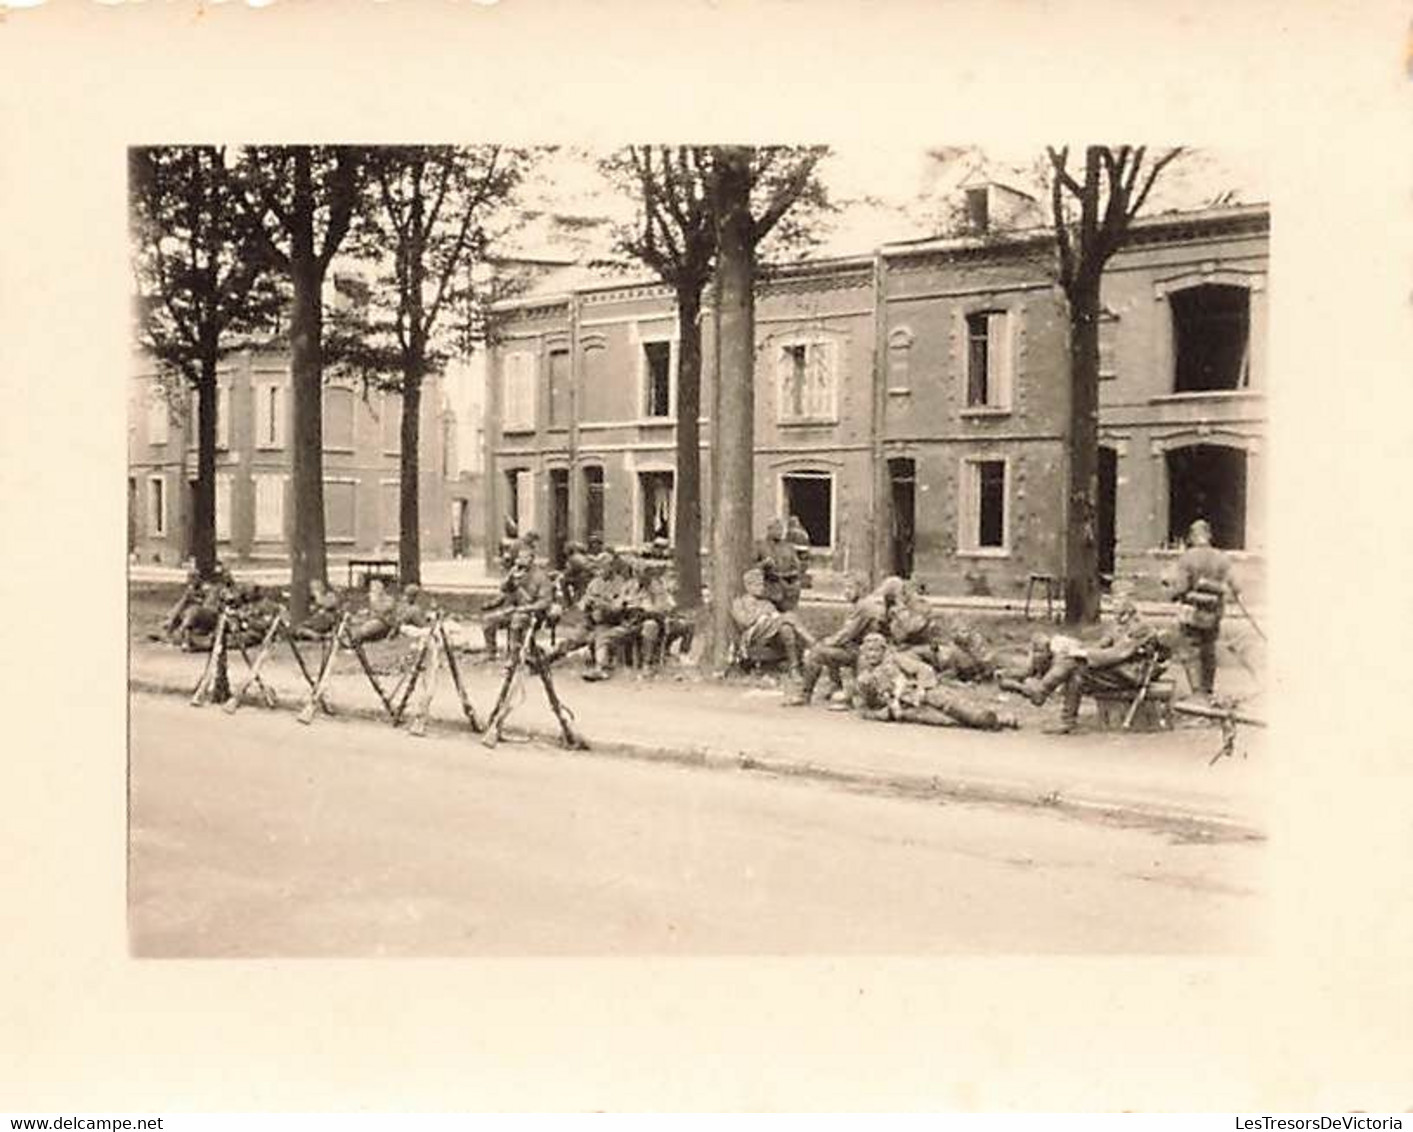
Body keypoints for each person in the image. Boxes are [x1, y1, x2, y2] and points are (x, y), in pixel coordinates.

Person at [999, 599, 1166, 733]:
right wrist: (1078, 649)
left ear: (1130, 610)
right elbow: (1101, 646)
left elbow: (1118, 654)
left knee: (1075, 664)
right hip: (1115, 671)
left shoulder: (1141, 628)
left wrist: (1085, 654)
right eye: (1113, 608)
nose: (1115, 616)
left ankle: (1042, 693)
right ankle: (1065, 719)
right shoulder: (1119, 625)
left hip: (1129, 675)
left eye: (1119, 611)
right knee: (1075, 666)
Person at [852, 633, 1017, 731]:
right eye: (868, 651)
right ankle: (998, 719)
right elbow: (863, 708)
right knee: (948, 722)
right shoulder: (865, 675)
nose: (872, 654)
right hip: (908, 709)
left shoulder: (895, 659)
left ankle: (995, 718)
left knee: (959, 709)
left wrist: (922, 690)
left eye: (876, 650)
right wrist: (887, 713)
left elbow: (924, 670)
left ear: (883, 650)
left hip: (924, 693)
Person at [1167, 518, 1240, 698]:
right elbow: (1236, 588)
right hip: (1214, 613)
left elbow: (1181, 588)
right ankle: (1208, 690)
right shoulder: (1222, 558)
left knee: (1191, 651)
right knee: (1209, 650)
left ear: (1192, 536)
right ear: (1209, 536)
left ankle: (1198, 693)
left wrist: (1171, 591)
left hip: (1192, 612)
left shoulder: (1187, 558)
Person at [799, 574, 887, 706]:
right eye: (845, 587)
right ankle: (835, 688)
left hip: (862, 652)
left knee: (817, 653)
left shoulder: (864, 606)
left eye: (850, 588)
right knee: (829, 650)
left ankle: (805, 695)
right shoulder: (862, 604)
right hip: (858, 648)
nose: (846, 591)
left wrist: (825, 643)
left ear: (861, 589)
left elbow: (847, 634)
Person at [731, 567, 807, 701]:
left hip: (771, 634)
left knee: (786, 627)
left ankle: (794, 667)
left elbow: (775, 617)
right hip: (752, 636)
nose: (761, 588)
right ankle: (811, 643)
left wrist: (768, 617)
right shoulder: (739, 602)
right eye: (757, 584)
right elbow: (744, 622)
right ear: (748, 586)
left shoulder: (767, 603)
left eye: (762, 584)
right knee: (788, 617)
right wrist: (763, 617)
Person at [754, 518, 804, 612]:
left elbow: (797, 567)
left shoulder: (788, 547)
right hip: (767, 586)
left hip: (786, 587)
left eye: (781, 529)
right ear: (769, 529)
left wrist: (793, 579)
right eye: (776, 529)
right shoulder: (760, 546)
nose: (780, 532)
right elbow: (751, 567)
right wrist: (763, 565)